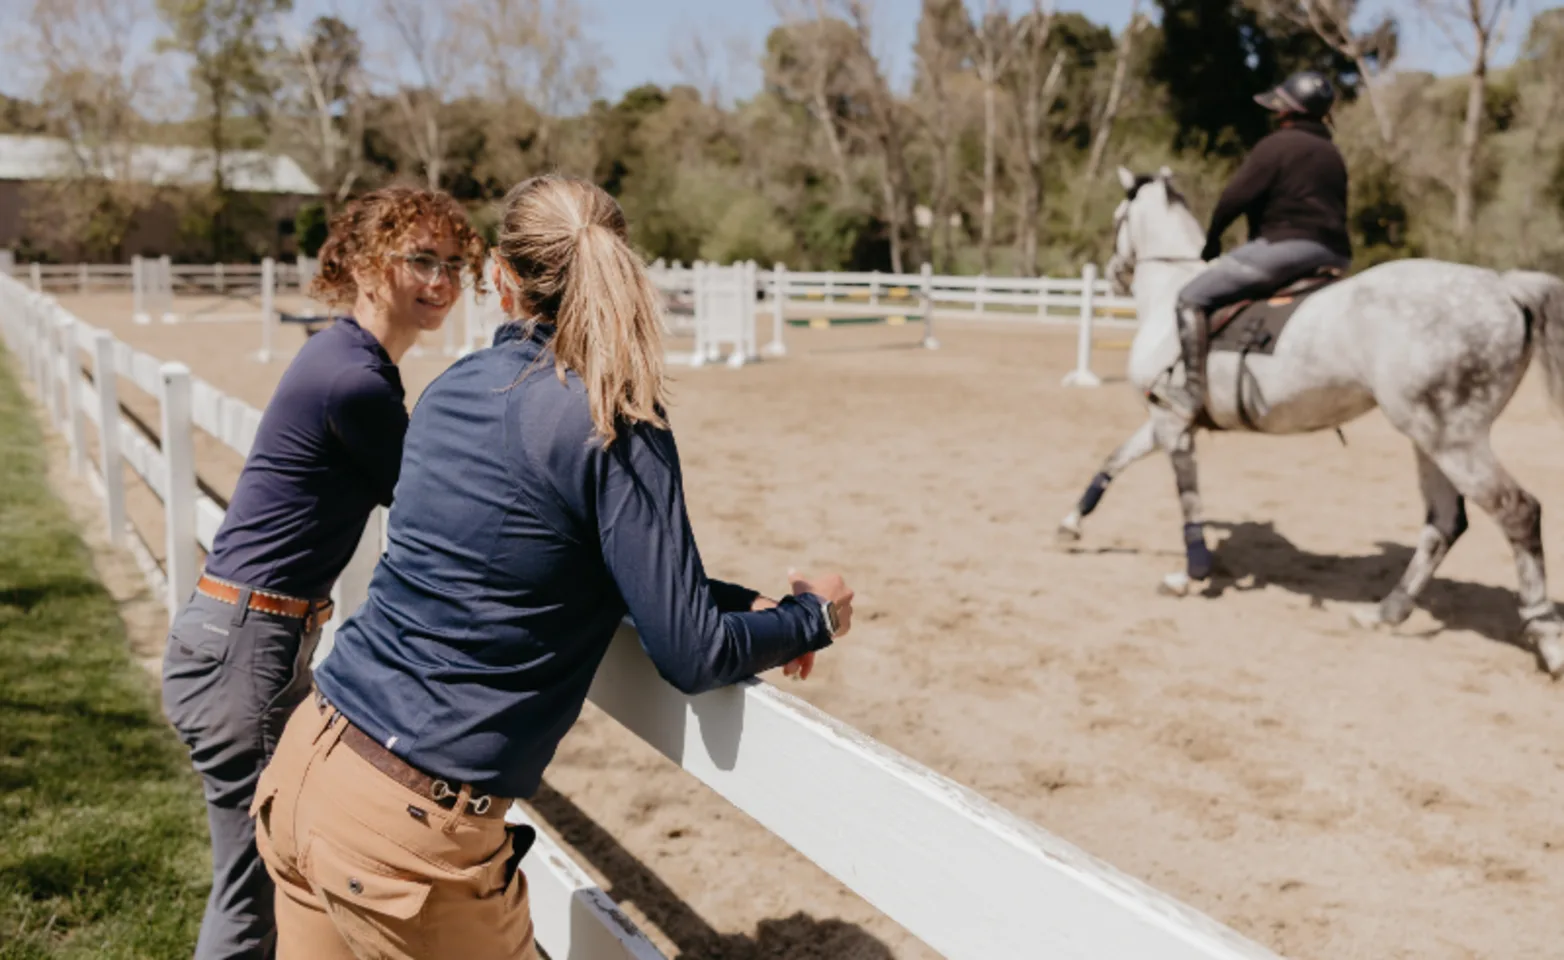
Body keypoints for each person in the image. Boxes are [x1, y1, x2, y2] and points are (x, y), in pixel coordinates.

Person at [248, 174, 853, 960]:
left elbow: (555, 556)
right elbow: (691, 654)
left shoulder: (449, 391)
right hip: (411, 833)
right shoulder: (614, 418)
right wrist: (814, 617)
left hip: (312, 761)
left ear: (501, 275)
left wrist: (745, 602)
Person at [160, 185, 486, 960]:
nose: (441, 283)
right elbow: (434, 503)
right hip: (249, 650)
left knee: (266, 876)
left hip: (240, 639)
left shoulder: (342, 354)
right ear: (369, 264)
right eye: (421, 260)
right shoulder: (357, 382)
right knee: (258, 893)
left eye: (453, 265)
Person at [1163, 69, 1354, 422]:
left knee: (1191, 297)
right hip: (1336, 253)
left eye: (1280, 107)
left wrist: (1213, 239)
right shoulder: (1331, 152)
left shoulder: (1276, 146)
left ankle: (1190, 392)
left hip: (1287, 247)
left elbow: (1234, 198)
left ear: (1289, 111)